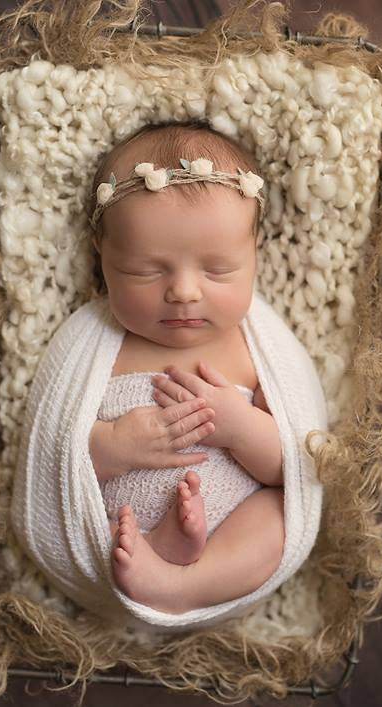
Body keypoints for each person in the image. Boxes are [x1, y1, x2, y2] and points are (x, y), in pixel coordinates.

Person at [86, 120, 287, 614]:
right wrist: (111, 446)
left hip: (229, 530)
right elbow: (53, 451)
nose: (184, 292)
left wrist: (240, 428)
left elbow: (290, 469)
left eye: (217, 270)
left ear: (254, 258)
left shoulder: (255, 350)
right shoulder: (95, 346)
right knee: (92, 526)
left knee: (280, 516)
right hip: (117, 527)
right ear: (103, 258)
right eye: (145, 271)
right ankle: (152, 554)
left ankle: (187, 584)